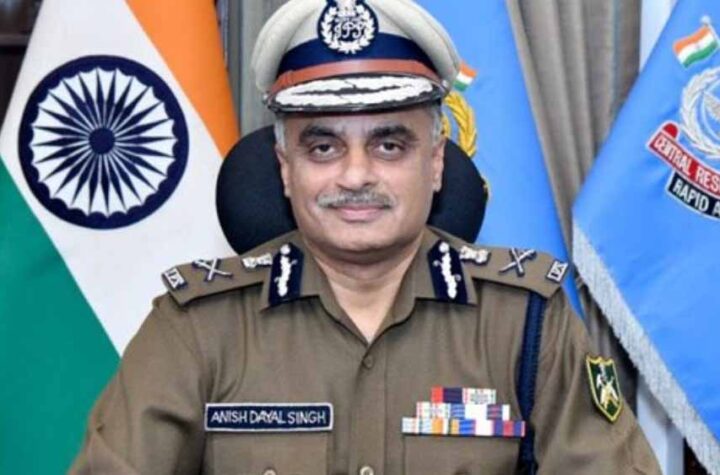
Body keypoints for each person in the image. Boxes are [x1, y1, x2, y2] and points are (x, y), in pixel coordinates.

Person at [70, 0, 661, 473]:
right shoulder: (198, 327)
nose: (355, 176)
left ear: (436, 162)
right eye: (323, 147)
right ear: (285, 168)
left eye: (389, 145)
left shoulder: (527, 322)